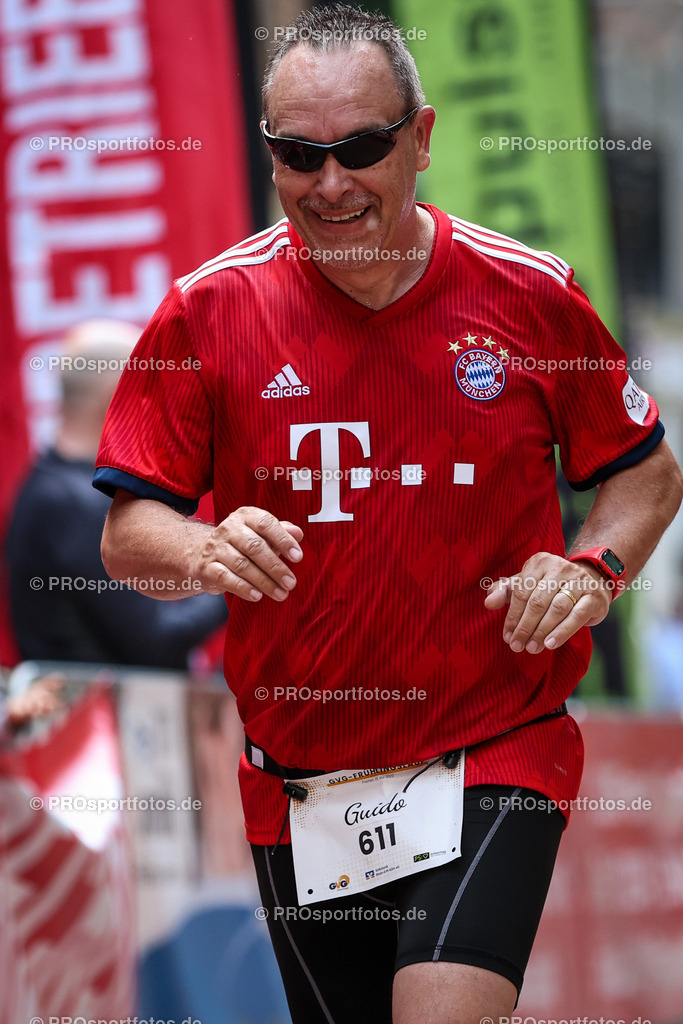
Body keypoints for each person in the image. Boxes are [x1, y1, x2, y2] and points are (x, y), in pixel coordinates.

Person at [94, 6, 683, 1023]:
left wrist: (593, 570)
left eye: (360, 148)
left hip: (494, 742)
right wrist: (201, 545)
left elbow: (643, 472)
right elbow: (126, 535)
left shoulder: (529, 296)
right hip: (301, 783)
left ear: (421, 138)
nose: (328, 184)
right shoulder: (206, 310)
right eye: (296, 154)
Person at [6, 319, 227, 669]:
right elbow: (157, 638)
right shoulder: (75, 504)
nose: (165, 406)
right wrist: (234, 571)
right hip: (108, 719)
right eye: (152, 388)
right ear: (116, 393)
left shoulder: (47, 487)